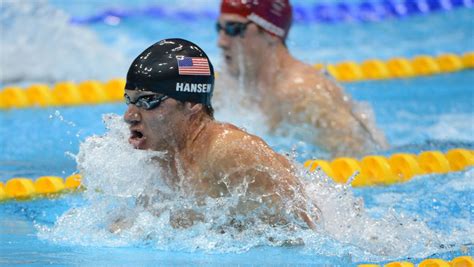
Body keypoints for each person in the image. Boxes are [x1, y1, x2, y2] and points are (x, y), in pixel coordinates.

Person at [122, 38, 317, 230]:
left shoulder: (230, 151)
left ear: (191, 102)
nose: (129, 116)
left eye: (147, 100)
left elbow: (303, 233)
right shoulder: (160, 155)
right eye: (129, 100)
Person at [216, 0, 388, 157]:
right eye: (220, 28)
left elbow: (360, 156)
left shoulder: (304, 93)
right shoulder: (229, 84)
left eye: (234, 28)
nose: (221, 42)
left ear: (270, 32)